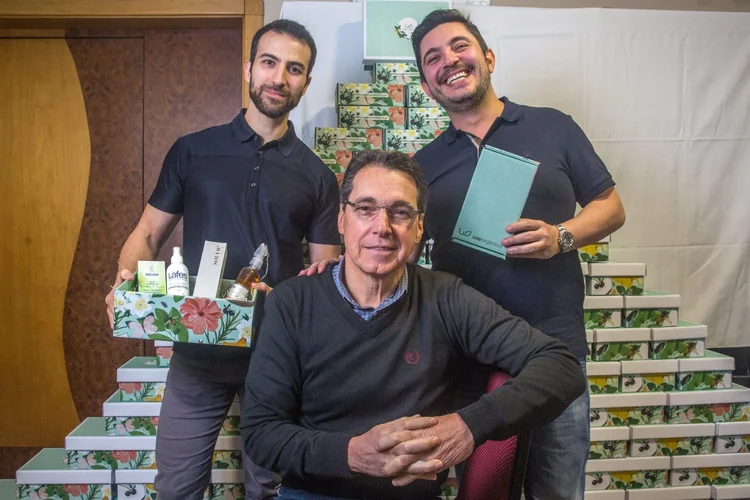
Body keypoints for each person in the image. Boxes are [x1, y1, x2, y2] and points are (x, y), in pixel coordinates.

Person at [241, 150, 587, 500]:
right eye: (365, 209)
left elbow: (562, 366)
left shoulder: (446, 298)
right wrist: (353, 454)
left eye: (400, 212)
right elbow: (261, 433)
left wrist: (469, 425)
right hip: (314, 493)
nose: (382, 227)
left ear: (419, 226)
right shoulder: (292, 302)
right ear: (342, 219)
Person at [104, 19, 342, 500]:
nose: (279, 78)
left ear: (306, 83)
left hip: (278, 356)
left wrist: (295, 297)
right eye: (270, 63)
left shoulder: (318, 177)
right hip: (197, 353)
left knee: (270, 489)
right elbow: (148, 234)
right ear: (250, 68)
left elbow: (326, 274)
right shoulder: (193, 150)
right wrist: (125, 284)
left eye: (294, 69)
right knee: (176, 487)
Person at [409, 10, 627, 500]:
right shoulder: (423, 165)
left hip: (555, 353)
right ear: (427, 86)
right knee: (484, 492)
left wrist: (561, 236)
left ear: (487, 57)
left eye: (459, 47)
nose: (449, 61)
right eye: (433, 58)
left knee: (556, 491)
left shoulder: (554, 127)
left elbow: (611, 207)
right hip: (468, 359)